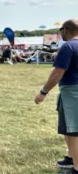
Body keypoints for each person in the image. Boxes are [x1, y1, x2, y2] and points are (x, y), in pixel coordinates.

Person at [34, 19, 78, 174]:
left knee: (73, 130)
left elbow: (57, 73)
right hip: (71, 91)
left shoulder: (68, 47)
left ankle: (76, 168)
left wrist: (43, 92)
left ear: (66, 30)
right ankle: (71, 158)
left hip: (71, 93)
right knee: (69, 128)